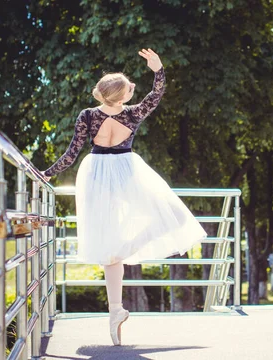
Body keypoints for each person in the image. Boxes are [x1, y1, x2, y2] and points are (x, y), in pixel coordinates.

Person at [39, 49, 207, 346]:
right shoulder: (133, 113)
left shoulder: (88, 115)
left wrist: (48, 173)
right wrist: (158, 69)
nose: (133, 89)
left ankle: (115, 308)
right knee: (172, 217)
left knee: (109, 243)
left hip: (95, 173)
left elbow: (71, 153)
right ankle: (119, 275)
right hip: (125, 170)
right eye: (130, 87)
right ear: (121, 94)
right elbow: (157, 93)